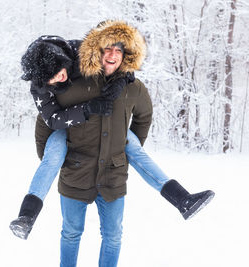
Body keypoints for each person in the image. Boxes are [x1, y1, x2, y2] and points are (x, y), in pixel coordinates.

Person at [12, 21, 215, 265]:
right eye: (107, 49)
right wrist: (54, 149)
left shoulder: (90, 63)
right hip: (73, 162)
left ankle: (183, 199)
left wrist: (123, 149)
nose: (59, 78)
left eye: (119, 51)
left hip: (112, 175)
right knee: (70, 231)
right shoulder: (54, 86)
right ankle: (27, 216)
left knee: (113, 235)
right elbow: (47, 120)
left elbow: (143, 114)